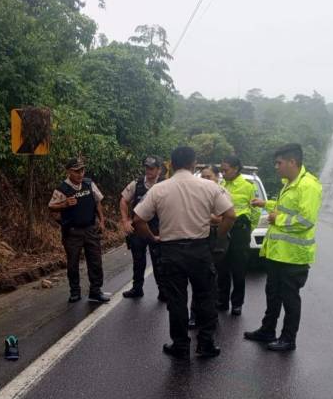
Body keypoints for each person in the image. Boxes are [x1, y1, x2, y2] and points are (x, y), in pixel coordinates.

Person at [133, 146, 236, 359]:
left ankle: (180, 345)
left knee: (177, 300)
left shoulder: (159, 189)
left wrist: (153, 237)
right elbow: (230, 215)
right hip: (200, 249)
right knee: (206, 297)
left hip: (171, 251)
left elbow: (138, 220)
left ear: (171, 163)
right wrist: (217, 239)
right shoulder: (209, 186)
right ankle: (205, 344)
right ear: (193, 163)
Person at [244, 143, 322, 352]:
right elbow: (284, 209)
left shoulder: (308, 186)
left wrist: (276, 218)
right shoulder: (289, 183)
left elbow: (305, 220)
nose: (276, 167)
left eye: (279, 163)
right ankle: (267, 330)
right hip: (278, 254)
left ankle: (288, 339)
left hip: (294, 257)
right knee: (273, 294)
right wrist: (266, 205)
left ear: (292, 162)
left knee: (290, 299)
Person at [48, 157, 110, 303]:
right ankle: (75, 291)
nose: (80, 174)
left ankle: (95, 291)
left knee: (95, 261)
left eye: (82, 170)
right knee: (73, 263)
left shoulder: (89, 183)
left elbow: (97, 202)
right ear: (69, 171)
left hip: (90, 229)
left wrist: (101, 220)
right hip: (72, 232)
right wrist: (64, 204)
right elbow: (51, 207)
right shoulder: (62, 188)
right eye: (76, 171)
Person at [119, 155, 166, 301]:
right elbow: (124, 201)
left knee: (159, 262)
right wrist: (125, 221)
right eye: (146, 167)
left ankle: (163, 291)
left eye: (151, 168)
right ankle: (137, 288)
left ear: (159, 169)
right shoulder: (137, 184)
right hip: (138, 228)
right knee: (138, 261)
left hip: (158, 228)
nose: (148, 171)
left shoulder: (165, 184)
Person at [216, 155, 256, 316]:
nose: (223, 173)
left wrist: (248, 228)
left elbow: (255, 210)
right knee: (222, 267)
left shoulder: (248, 186)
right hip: (224, 228)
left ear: (236, 169)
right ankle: (222, 301)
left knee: (239, 269)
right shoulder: (222, 184)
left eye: (225, 170)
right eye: (221, 170)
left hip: (240, 229)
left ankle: (237, 304)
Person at [189, 165, 223, 329]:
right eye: (202, 176)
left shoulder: (221, 193)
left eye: (208, 177)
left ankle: (211, 317)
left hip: (215, 239)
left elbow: (224, 218)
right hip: (197, 239)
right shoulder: (195, 193)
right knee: (197, 278)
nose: (204, 180)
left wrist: (205, 216)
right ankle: (194, 315)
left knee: (212, 280)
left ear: (217, 177)